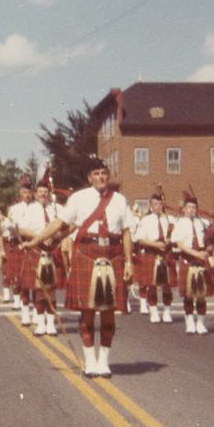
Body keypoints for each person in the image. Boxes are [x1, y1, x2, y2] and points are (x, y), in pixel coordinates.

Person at [22, 157, 133, 378]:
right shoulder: (78, 198)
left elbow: (127, 232)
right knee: (88, 313)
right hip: (87, 254)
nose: (101, 177)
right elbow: (58, 224)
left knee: (109, 313)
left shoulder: (119, 200)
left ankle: (104, 361)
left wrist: (129, 261)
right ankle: (90, 361)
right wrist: (34, 241)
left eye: (104, 173)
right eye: (96, 174)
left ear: (107, 175)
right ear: (89, 177)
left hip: (114, 254)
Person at [18, 176, 64, 336]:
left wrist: (56, 235)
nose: (43, 194)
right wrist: (41, 235)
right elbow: (22, 229)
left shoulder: (57, 208)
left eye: (46, 191)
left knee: (51, 290)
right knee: (39, 290)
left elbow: (66, 227)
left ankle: (51, 324)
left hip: (53, 251)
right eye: (40, 192)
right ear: (36, 194)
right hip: (36, 250)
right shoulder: (30, 209)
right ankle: (40, 323)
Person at [169, 192, 214, 334]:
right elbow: (179, 244)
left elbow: (209, 241)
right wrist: (196, 254)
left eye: (194, 207)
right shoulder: (180, 224)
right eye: (189, 207)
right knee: (189, 294)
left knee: (201, 294)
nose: (191, 210)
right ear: (184, 209)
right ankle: (189, 321)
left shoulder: (202, 223)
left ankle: (201, 323)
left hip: (202, 261)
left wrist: (210, 247)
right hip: (188, 260)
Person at [135, 192, 178, 324]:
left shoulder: (170, 220)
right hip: (152, 254)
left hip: (166, 255)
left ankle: (166, 311)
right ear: (151, 206)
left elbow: (177, 238)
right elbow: (140, 239)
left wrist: (169, 242)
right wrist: (155, 244)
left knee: (167, 285)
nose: (158, 206)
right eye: (155, 204)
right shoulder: (146, 220)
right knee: (152, 285)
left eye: (160, 204)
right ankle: (153, 310)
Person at [7, 175, 34, 318]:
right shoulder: (14, 209)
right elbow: (9, 230)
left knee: (34, 279)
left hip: (34, 244)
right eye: (24, 192)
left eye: (29, 192)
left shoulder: (37, 207)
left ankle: (37, 311)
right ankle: (24, 310)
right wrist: (12, 228)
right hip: (18, 245)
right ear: (20, 194)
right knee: (21, 279)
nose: (27, 195)